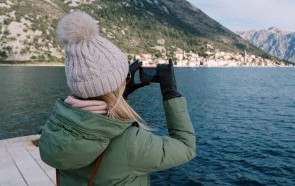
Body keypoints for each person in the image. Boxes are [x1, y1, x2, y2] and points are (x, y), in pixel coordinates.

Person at [39, 11, 196, 186]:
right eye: (124, 77)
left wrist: (122, 95)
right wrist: (170, 93)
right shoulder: (131, 143)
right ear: (119, 83)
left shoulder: (58, 127)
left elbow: (97, 121)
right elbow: (186, 147)